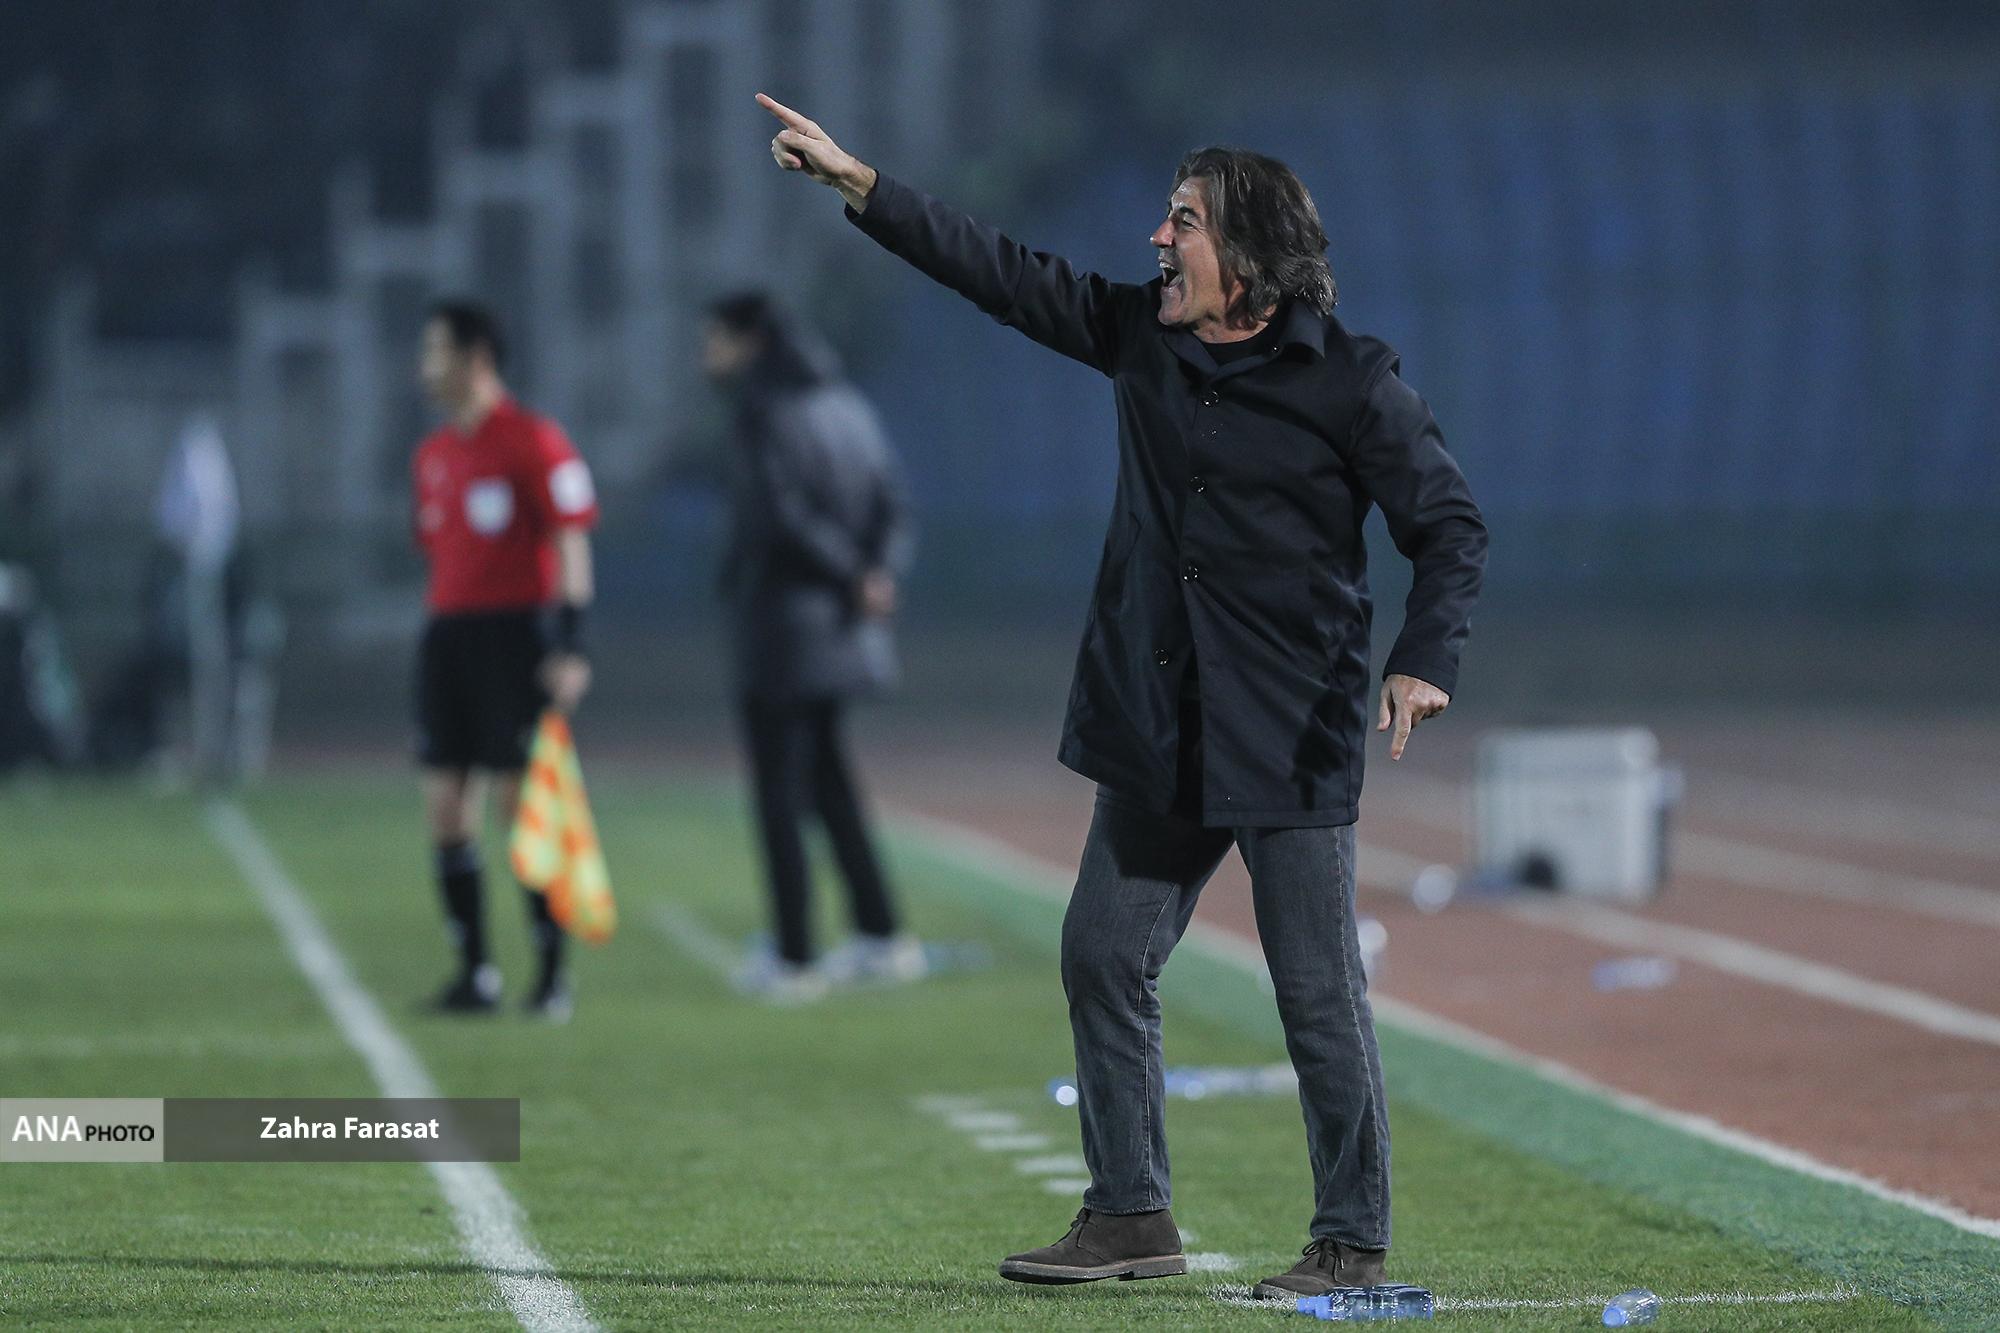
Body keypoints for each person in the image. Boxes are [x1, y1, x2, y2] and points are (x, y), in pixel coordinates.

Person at [758, 95, 1487, 1297]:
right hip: (1159, 722)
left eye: (1182, 221)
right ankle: (1129, 1214)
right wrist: (860, 184)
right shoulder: (1141, 338)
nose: (1157, 238)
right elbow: (1000, 273)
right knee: (1100, 953)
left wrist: (1423, 658)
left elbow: (1448, 524)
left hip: (1288, 731)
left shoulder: (1351, 382)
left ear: (1245, 253)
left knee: (1315, 996)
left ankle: (1350, 1242)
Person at [702, 290, 920, 1003]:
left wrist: (851, 572)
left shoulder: (761, 411)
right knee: (830, 783)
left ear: (750, 340)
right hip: (846, 627)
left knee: (779, 793)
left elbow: (778, 516)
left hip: (784, 628)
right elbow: (894, 504)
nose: (708, 353)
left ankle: (795, 956)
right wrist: (874, 573)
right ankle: (881, 934)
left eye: (716, 338)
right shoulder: (848, 405)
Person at [412, 300, 598, 1020]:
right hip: (447, 638)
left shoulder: (534, 440)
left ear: (476, 358)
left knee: (518, 806)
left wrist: (571, 644)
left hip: (515, 638)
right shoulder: (433, 455)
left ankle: (551, 977)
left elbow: (571, 539)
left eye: (435, 352)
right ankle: (475, 974)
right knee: (445, 806)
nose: (424, 368)